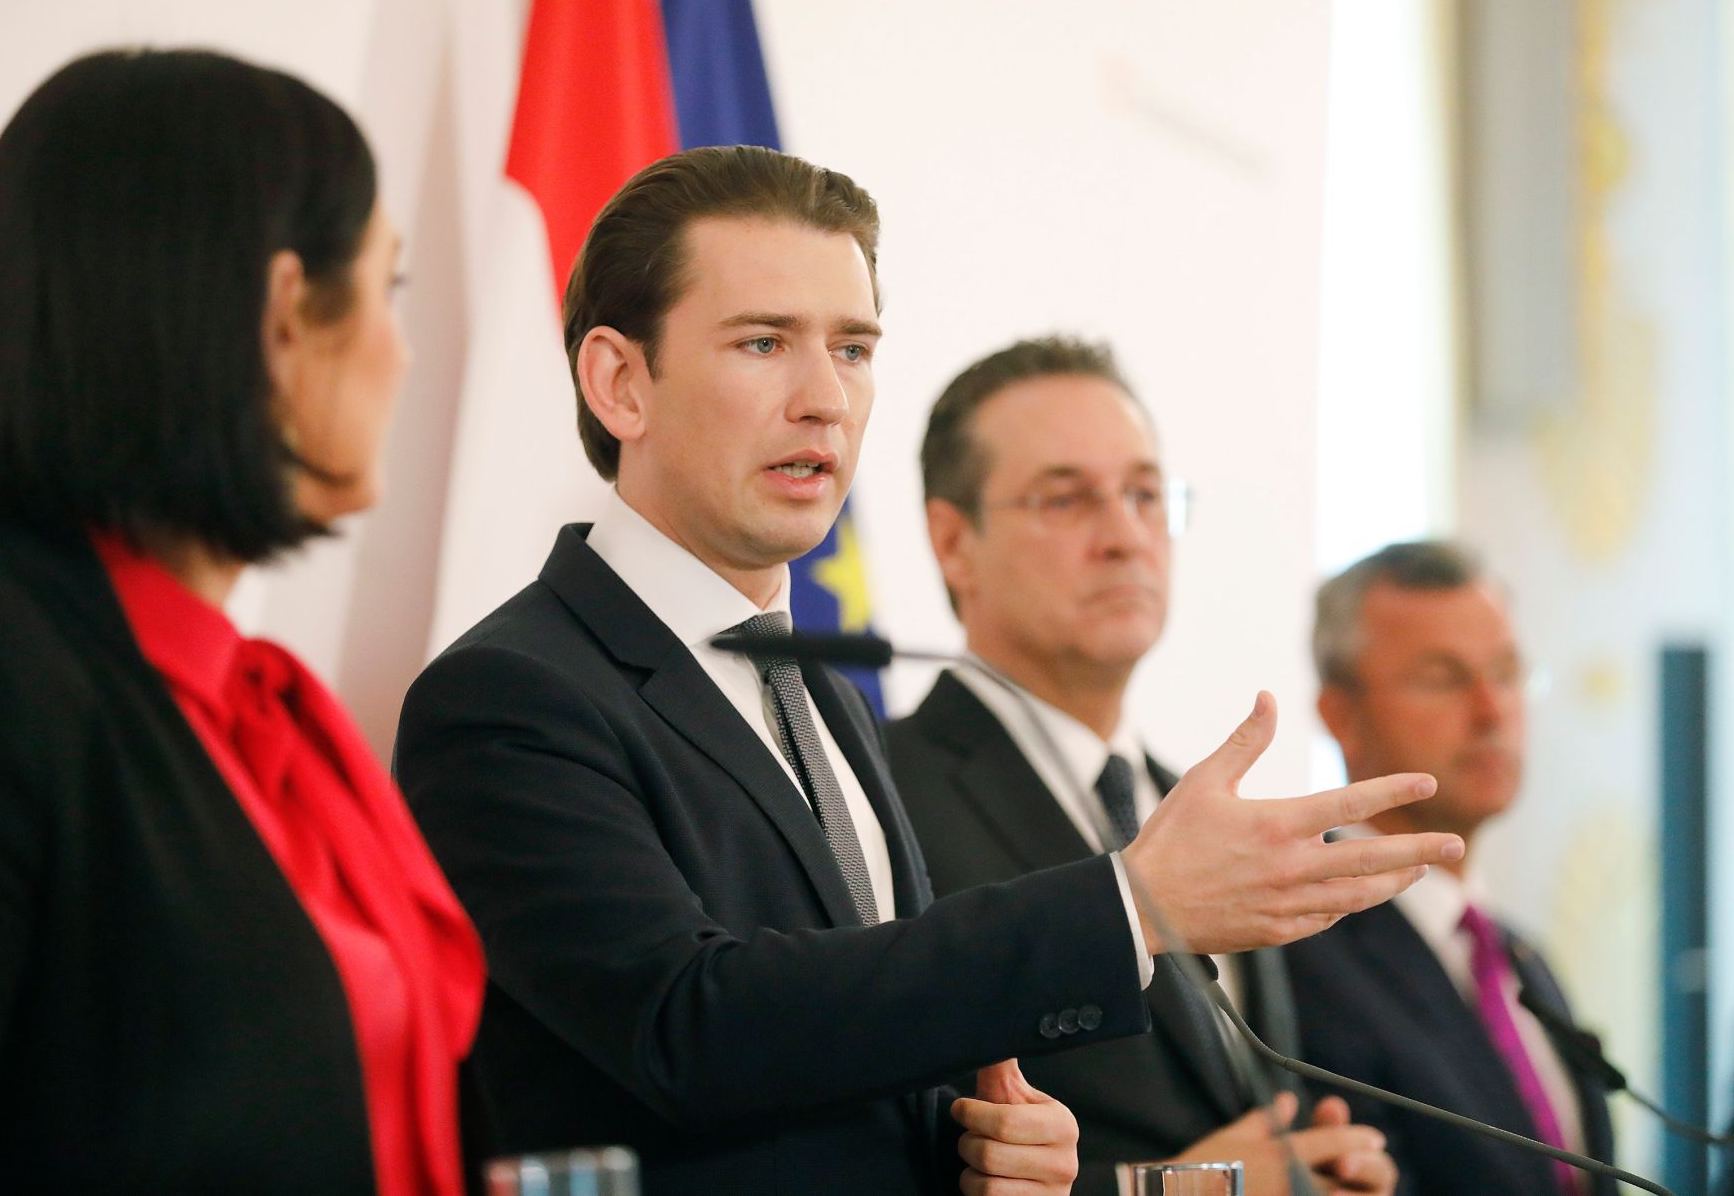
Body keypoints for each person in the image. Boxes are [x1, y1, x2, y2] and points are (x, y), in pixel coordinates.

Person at [392, 145, 1462, 1196]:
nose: (824, 399)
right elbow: (690, 1025)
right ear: (620, 382)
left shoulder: (823, 702)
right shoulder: (509, 697)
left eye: (852, 348)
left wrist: (984, 1147)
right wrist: (1128, 906)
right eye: (763, 343)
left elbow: (853, 1050)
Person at [0, 50, 484, 1194]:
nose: (402, 353)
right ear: (281, 320)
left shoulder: (246, 709)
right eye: (388, 289)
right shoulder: (3, 673)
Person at [886, 335, 1396, 1196]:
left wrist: (1319, 1172)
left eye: (1146, 494)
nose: (1125, 535)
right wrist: (1189, 1188)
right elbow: (894, 1162)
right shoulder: (885, 795)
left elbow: (1248, 1124)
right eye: (1066, 499)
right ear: (952, 541)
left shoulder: (1193, 808)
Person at [1282, 542, 1616, 1196]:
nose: (1493, 712)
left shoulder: (1521, 958)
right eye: (1442, 677)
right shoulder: (1299, 947)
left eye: (1507, 671)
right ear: (1338, 714)